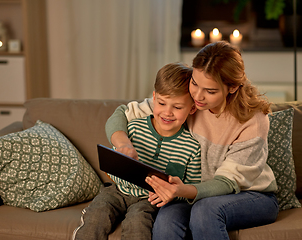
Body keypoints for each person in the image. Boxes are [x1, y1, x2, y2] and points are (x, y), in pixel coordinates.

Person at [105, 41, 279, 240]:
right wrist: (123, 144)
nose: (197, 95)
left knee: (205, 211)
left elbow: (227, 183)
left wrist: (181, 190)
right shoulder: (186, 101)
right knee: (166, 221)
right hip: (188, 193)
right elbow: (122, 114)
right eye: (195, 83)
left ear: (231, 88)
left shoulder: (253, 121)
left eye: (210, 91)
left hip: (250, 195)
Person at [73, 62, 201, 240]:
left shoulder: (191, 147)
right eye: (162, 103)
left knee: (138, 224)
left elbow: (189, 190)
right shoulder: (133, 128)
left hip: (148, 202)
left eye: (177, 107)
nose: (167, 112)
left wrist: (170, 194)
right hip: (117, 191)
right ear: (154, 98)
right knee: (96, 216)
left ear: (192, 108)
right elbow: (112, 167)